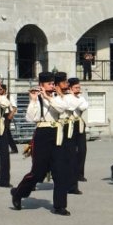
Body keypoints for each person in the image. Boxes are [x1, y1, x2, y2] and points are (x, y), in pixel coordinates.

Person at [11, 72, 70, 215]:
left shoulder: (58, 97)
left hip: (57, 134)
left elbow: (62, 109)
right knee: (38, 172)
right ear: (41, 85)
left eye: (52, 84)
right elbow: (31, 118)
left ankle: (59, 206)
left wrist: (49, 97)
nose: (51, 86)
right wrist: (33, 100)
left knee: (60, 171)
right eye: (49, 84)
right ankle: (18, 193)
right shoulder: (37, 99)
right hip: (42, 134)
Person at [62, 77, 89, 194]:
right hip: (69, 124)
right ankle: (71, 181)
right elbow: (71, 106)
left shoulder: (80, 98)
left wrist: (76, 98)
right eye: (76, 88)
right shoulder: (66, 97)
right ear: (70, 88)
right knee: (70, 153)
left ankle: (79, 173)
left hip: (79, 123)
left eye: (79, 87)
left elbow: (84, 106)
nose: (79, 89)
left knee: (82, 150)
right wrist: (74, 98)